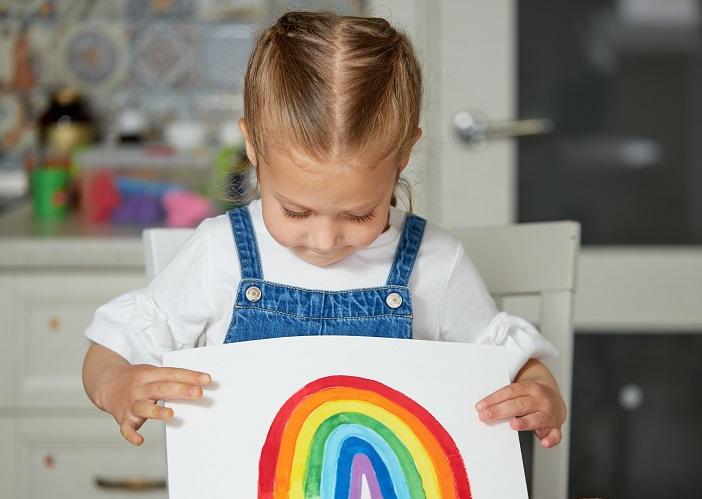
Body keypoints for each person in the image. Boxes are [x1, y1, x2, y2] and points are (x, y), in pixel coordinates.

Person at [82, 11, 567, 451]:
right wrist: (118, 385)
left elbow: (513, 362)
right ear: (251, 145)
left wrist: (539, 392)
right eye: (295, 211)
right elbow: (109, 351)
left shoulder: (435, 262)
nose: (324, 240)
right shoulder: (220, 253)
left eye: (358, 215)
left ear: (403, 156)